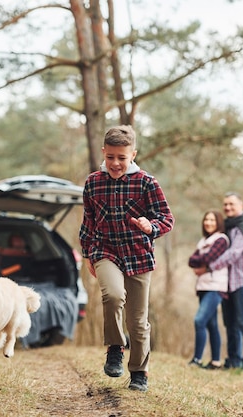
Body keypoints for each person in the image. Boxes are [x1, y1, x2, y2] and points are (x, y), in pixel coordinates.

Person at [79, 125, 174, 392]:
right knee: (112, 296)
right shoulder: (93, 182)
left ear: (133, 154)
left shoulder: (146, 182)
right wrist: (87, 252)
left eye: (122, 157)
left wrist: (151, 226)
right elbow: (89, 221)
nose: (116, 163)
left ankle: (139, 372)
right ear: (103, 153)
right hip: (105, 250)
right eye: (111, 157)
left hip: (138, 255)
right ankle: (115, 347)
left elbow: (166, 218)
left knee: (138, 319)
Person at [204, 192, 243, 370]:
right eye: (225, 204)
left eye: (231, 204)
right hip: (226, 282)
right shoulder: (227, 227)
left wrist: (210, 266)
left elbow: (234, 253)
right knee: (230, 323)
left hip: (242, 281)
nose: (227, 207)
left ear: (241, 205)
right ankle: (234, 360)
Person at [187, 210, 229, 370]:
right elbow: (191, 260)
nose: (208, 223)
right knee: (211, 325)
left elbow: (208, 257)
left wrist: (200, 262)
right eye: (206, 220)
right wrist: (199, 262)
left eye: (212, 220)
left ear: (218, 222)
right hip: (203, 286)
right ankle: (215, 362)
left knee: (199, 320)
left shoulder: (221, 240)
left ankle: (197, 359)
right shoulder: (204, 240)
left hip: (215, 286)